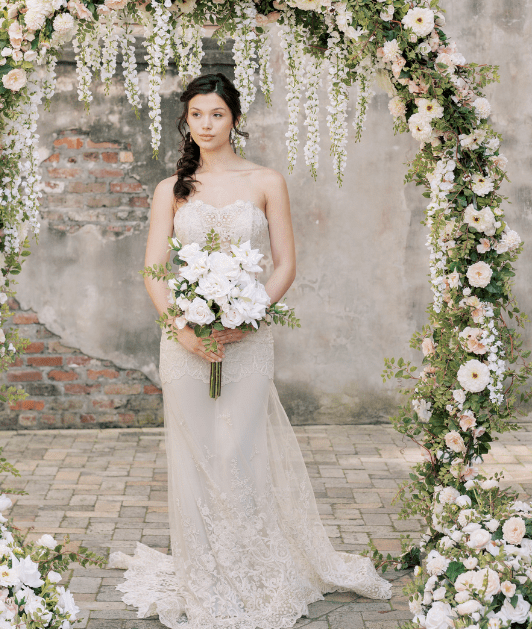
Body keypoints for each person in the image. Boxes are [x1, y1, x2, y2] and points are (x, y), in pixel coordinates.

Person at [113, 73, 392, 628]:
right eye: (197, 115)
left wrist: (246, 316)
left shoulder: (266, 181)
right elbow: (153, 269)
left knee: (235, 450)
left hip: (248, 337)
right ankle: (204, 575)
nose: (206, 125)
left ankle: (251, 571)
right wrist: (183, 329)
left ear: (235, 118)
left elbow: (285, 264)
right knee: (196, 457)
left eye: (216, 114)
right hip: (184, 340)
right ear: (186, 122)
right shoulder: (172, 189)